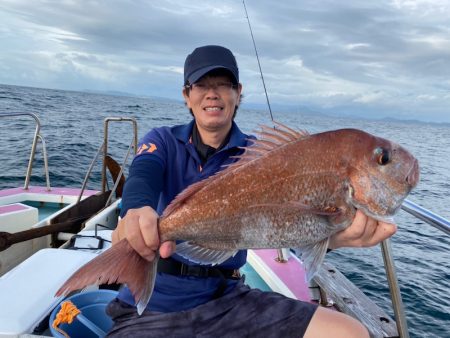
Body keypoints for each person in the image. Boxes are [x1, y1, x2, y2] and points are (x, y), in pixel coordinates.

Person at [108, 45, 397, 337]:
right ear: (187, 95)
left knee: (351, 333)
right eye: (202, 85)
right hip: (156, 300)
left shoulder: (260, 156)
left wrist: (329, 237)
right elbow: (143, 174)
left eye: (223, 84)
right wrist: (135, 208)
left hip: (228, 299)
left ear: (238, 92)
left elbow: (283, 221)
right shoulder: (162, 139)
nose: (213, 93)